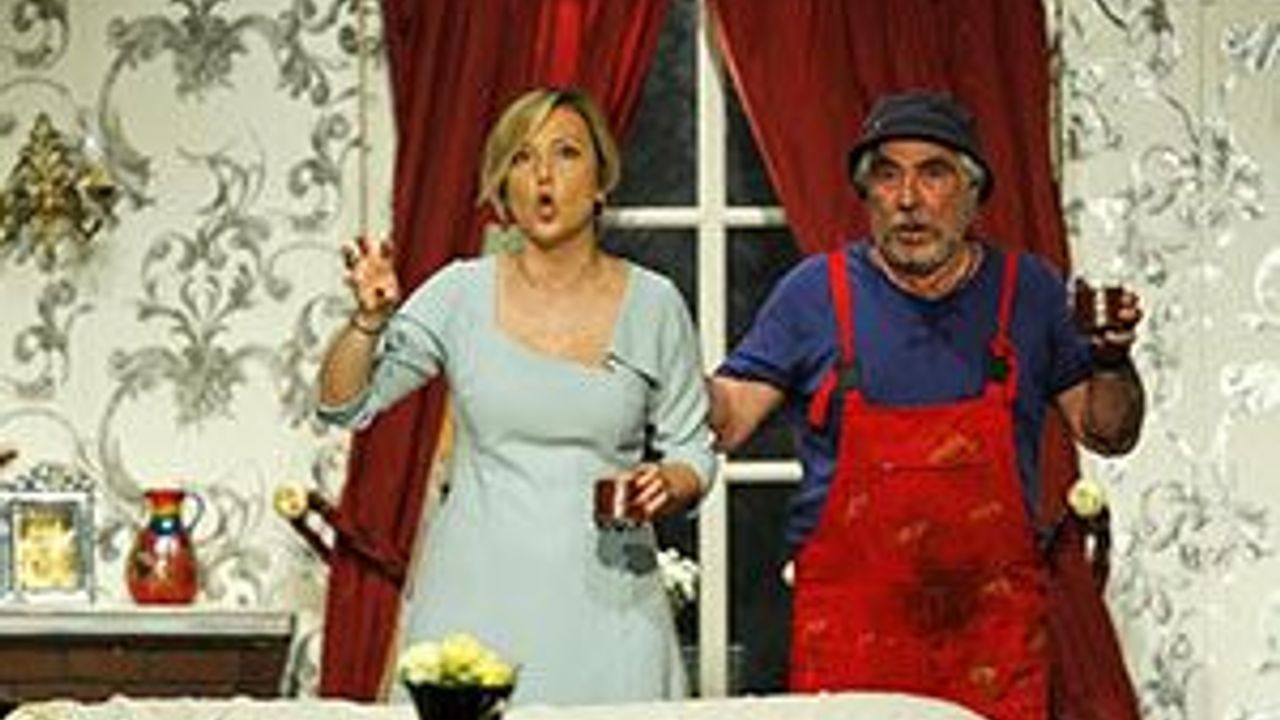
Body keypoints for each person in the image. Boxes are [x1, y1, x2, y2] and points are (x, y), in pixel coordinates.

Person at [708, 91, 1144, 720]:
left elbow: (1108, 432)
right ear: (867, 195)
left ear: (973, 193)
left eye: (933, 173)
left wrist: (1110, 358)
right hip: (851, 645)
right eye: (888, 175)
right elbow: (728, 418)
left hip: (992, 642)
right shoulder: (816, 294)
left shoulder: (1029, 291)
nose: (908, 198)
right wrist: (665, 362)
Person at [316, 87, 715, 705]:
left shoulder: (655, 304)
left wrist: (668, 482)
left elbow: (693, 449)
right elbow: (346, 402)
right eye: (523, 159)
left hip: (613, 609)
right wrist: (368, 321)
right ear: (504, 186)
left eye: (566, 153)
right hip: (474, 606)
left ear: (601, 180)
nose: (544, 177)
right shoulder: (459, 293)